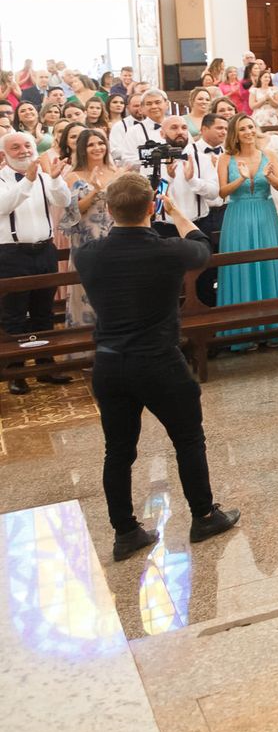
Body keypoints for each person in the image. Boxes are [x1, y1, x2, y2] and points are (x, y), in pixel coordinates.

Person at [77, 173, 242, 561]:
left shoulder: (88, 255)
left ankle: (125, 533)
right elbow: (201, 247)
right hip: (159, 362)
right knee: (188, 439)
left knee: (118, 451)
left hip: (109, 363)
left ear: (109, 209)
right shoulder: (168, 251)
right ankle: (204, 516)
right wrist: (178, 214)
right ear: (151, 207)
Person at [2, 130, 74, 394]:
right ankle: (16, 371)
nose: (23, 151)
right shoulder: (2, 179)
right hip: (11, 254)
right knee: (14, 315)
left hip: (45, 251)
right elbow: (4, 205)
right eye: (16, 147)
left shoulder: (45, 176)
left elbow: (63, 201)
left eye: (27, 145)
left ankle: (45, 366)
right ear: (4, 154)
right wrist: (28, 181)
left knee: (43, 312)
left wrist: (54, 179)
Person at [215, 116, 278, 308]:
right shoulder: (226, 158)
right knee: (241, 264)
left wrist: (269, 176)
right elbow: (222, 192)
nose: (248, 132)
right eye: (242, 129)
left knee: (269, 262)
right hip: (238, 216)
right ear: (235, 134)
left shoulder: (269, 154)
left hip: (266, 215)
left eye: (250, 127)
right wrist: (241, 179)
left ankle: (273, 316)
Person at [58, 128, 117, 326]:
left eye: (100, 143)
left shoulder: (116, 172)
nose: (97, 148)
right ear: (82, 149)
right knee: (88, 290)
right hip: (87, 238)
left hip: (114, 235)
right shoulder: (73, 177)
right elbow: (73, 211)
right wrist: (95, 190)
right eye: (91, 144)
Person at [185, 113, 229, 306]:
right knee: (204, 263)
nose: (224, 132)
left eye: (226, 128)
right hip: (203, 214)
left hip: (227, 211)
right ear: (204, 129)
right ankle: (206, 306)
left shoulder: (228, 151)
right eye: (219, 128)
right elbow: (191, 183)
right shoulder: (190, 151)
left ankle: (226, 302)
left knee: (227, 260)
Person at [108, 90, 165, 169]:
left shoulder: (173, 125)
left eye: (158, 102)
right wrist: (146, 155)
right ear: (128, 108)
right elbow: (118, 154)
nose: (154, 106)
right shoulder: (125, 128)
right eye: (136, 106)